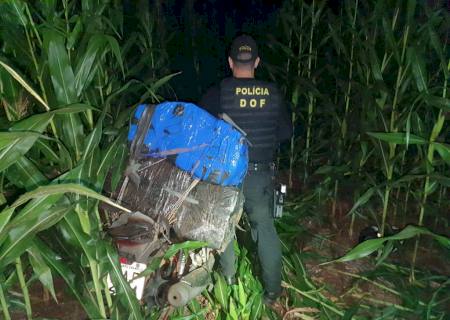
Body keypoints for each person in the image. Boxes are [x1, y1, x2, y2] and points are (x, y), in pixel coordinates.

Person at [199, 34, 292, 305]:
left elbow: (202, 134)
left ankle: (228, 285)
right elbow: (286, 132)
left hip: (225, 175)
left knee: (224, 227)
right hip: (259, 173)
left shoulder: (217, 94)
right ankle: (273, 292)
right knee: (264, 227)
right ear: (257, 62)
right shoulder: (272, 93)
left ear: (230, 62)